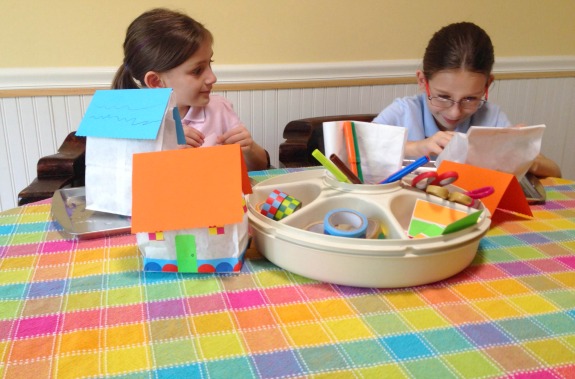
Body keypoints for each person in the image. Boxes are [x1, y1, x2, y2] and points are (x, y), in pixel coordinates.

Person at [372, 22, 561, 178]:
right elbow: (352, 154)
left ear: (487, 85)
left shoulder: (491, 118)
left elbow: (556, 173)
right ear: (423, 81)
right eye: (443, 97)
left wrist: (523, 157)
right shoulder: (403, 112)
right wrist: (415, 147)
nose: (455, 112)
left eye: (470, 99)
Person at [112, 8, 269, 171]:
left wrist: (250, 149)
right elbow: (117, 181)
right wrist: (165, 145)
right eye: (197, 71)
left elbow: (261, 166)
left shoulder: (219, 109)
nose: (212, 78)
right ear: (156, 81)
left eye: (210, 63)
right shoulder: (126, 122)